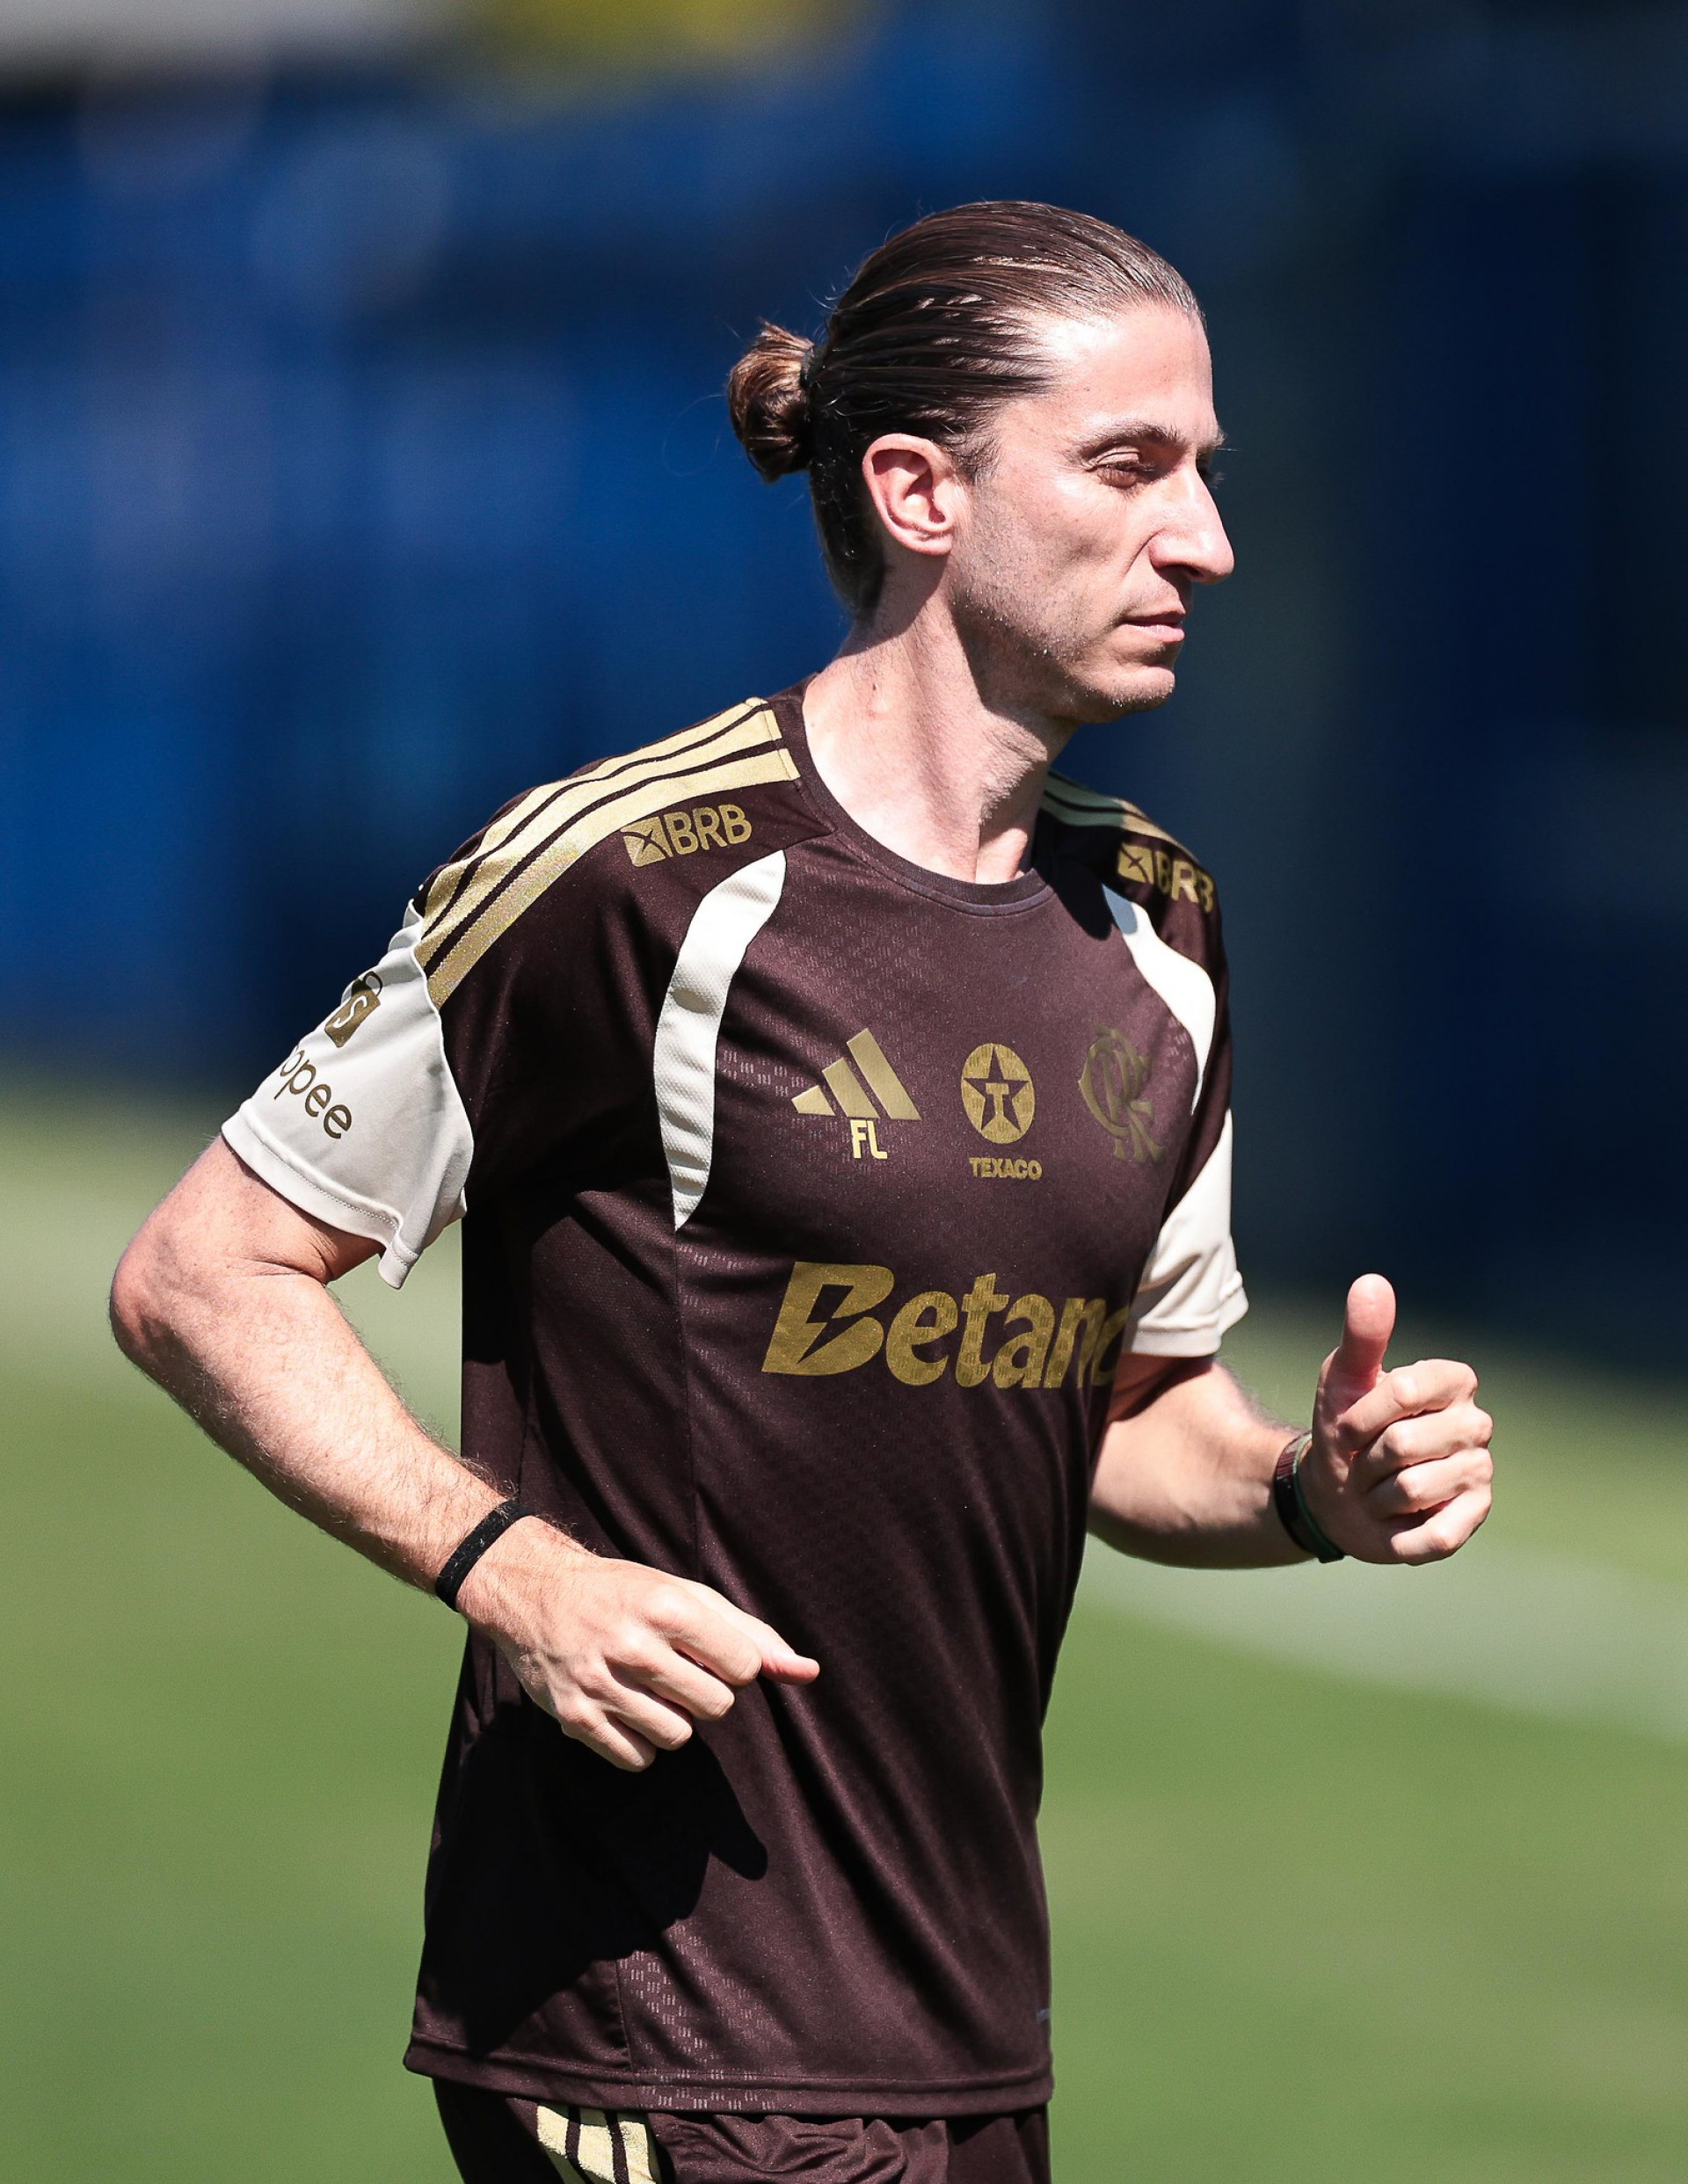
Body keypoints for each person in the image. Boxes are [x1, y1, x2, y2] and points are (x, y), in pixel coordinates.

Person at [111, 201, 1495, 2184]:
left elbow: (1129, 1414)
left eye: (1206, 473)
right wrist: (510, 1566)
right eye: (1131, 468)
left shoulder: (1159, 928)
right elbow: (205, 1271)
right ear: (919, 489)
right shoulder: (629, 872)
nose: (1206, 541)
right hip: (649, 2026)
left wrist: (1306, 1490)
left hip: (957, 2031)